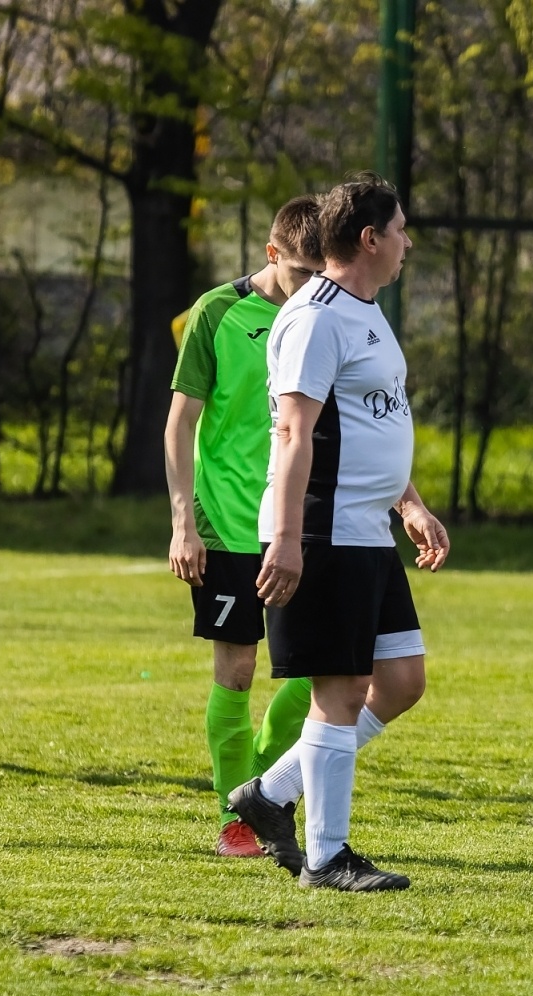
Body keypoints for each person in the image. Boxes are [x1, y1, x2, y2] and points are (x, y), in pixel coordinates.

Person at [225, 172, 450, 893]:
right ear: (369, 238)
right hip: (323, 530)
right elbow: (294, 428)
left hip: (367, 532)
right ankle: (326, 857)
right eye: (402, 229)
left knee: (402, 680)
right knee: (344, 688)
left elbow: (371, 418)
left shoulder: (366, 309)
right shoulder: (315, 315)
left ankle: (270, 792)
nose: (409, 242)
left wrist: (407, 501)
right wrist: (287, 538)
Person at [163, 195, 324, 858]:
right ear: (271, 254)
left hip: (301, 522)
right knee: (235, 672)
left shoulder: (327, 318)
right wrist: (182, 521)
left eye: (322, 276)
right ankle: (238, 819)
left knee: (319, 674)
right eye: (299, 273)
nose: (310, 289)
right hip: (228, 524)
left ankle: (256, 788)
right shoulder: (217, 312)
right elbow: (179, 423)